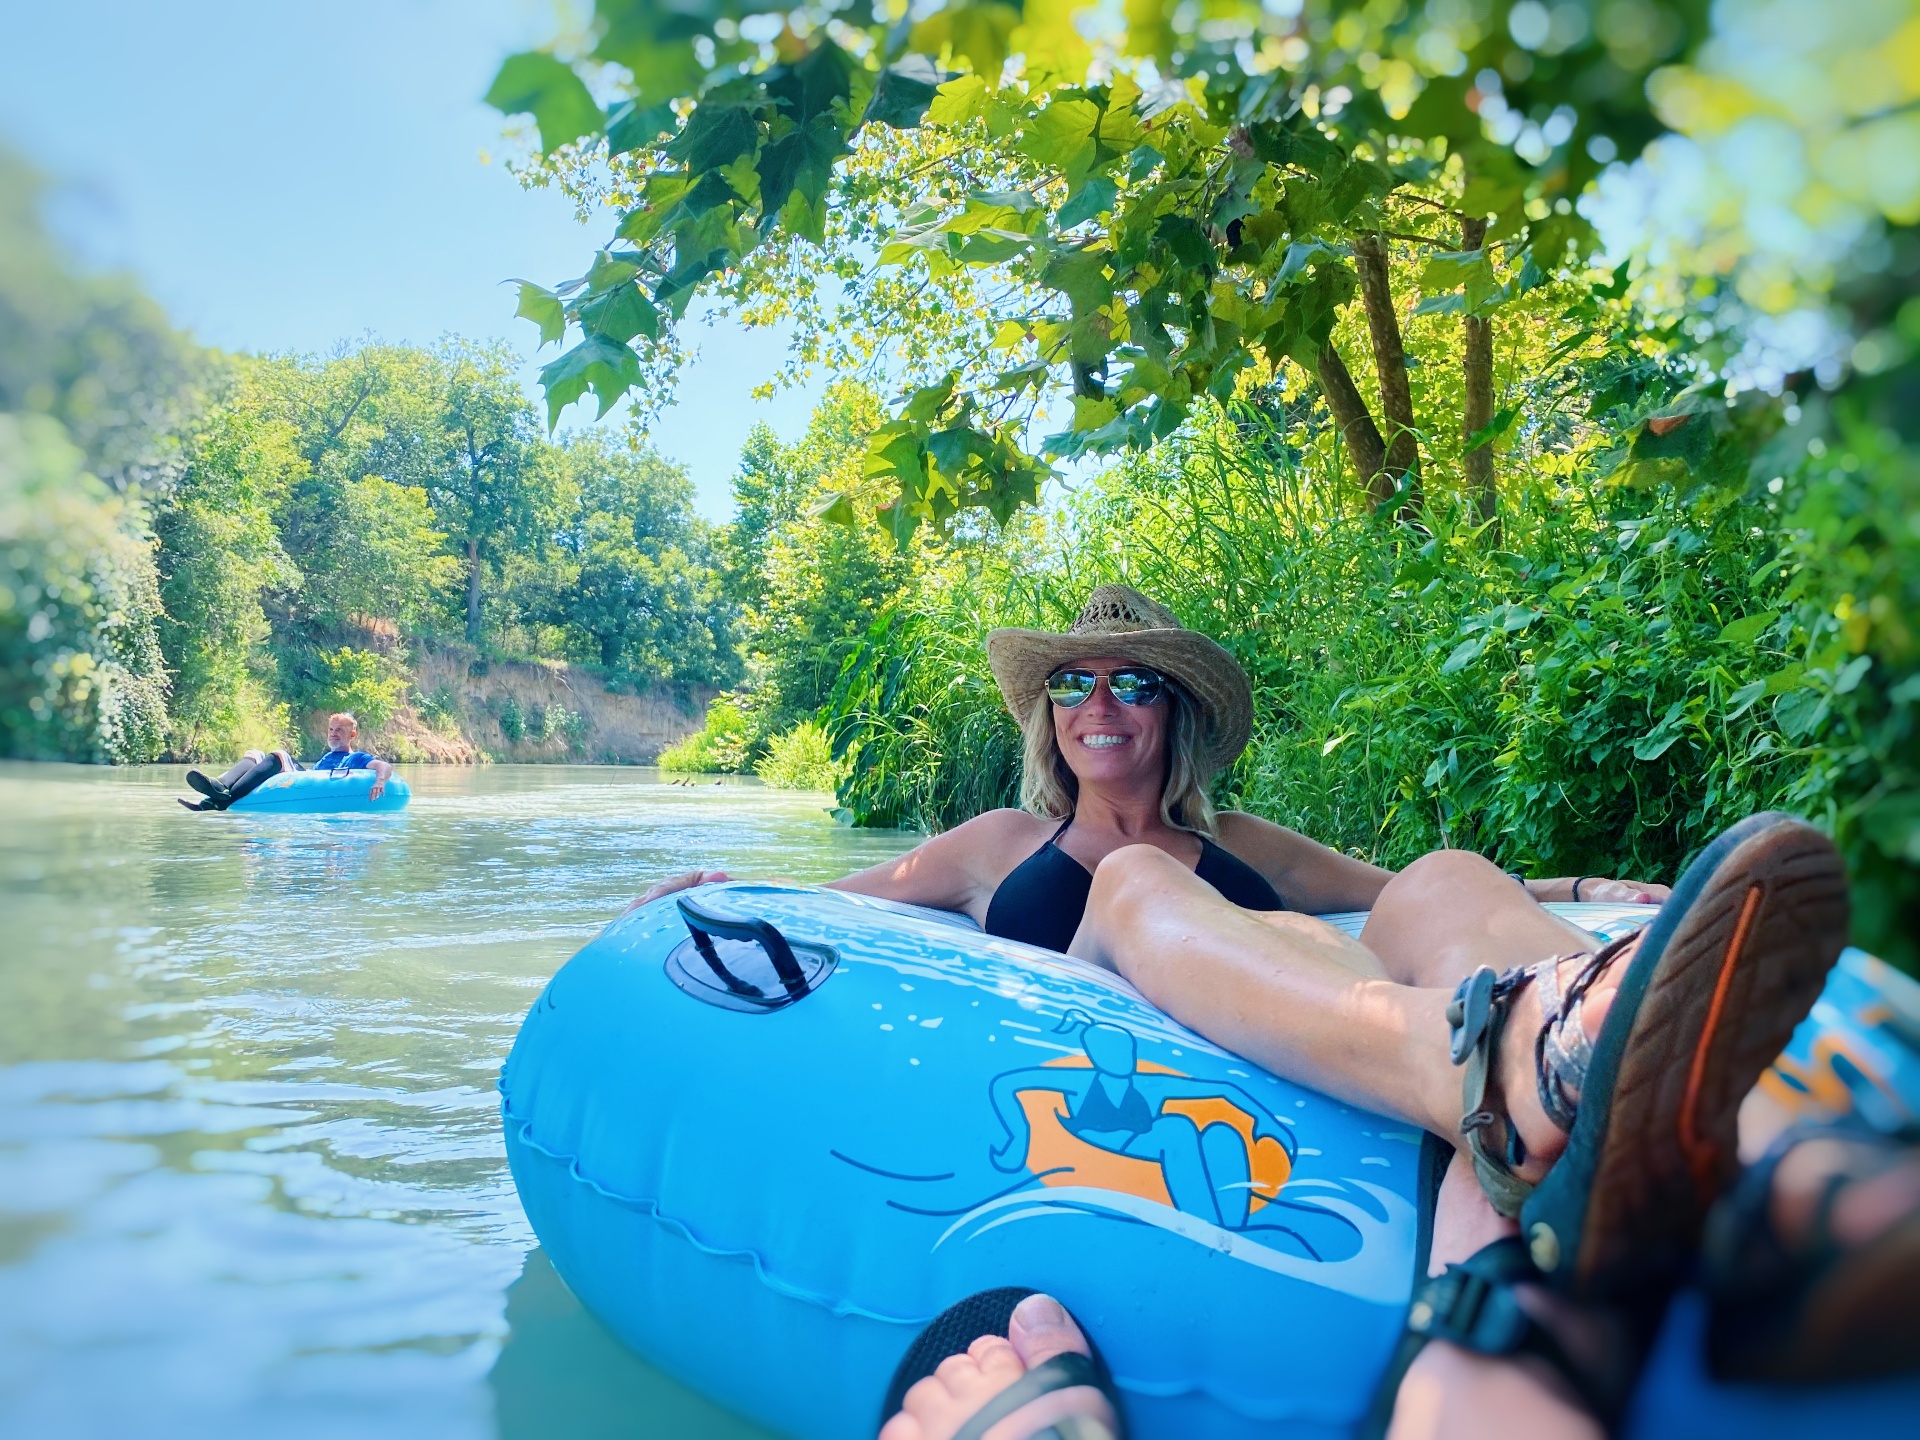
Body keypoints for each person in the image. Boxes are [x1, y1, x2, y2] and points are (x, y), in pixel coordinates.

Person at [633, 586, 1847, 1433]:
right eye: (1072, 684)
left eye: (1130, 682)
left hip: (1310, 1004)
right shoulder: (1002, 843)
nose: (1097, 703)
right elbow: (851, 904)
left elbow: (1386, 891)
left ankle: (1666, 1095)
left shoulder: (1246, 845)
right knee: (1131, 875)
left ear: (1175, 711)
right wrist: (727, 889)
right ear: (1048, 714)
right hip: (1137, 1047)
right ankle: (1506, 1068)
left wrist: (1586, 892)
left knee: (1444, 880)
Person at [178, 711, 394, 811]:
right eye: (331, 729)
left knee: (280, 755)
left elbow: (383, 766)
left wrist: (380, 782)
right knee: (254, 753)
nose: (334, 734)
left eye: (340, 730)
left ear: (352, 735)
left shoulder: (354, 757)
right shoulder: (327, 757)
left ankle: (219, 801)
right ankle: (220, 786)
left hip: (310, 780)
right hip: (308, 777)